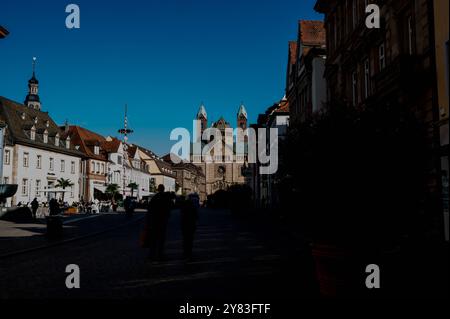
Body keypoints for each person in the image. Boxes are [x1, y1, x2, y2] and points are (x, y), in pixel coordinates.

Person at [146, 184, 173, 261]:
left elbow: (150, 208)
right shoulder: (166, 197)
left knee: (153, 238)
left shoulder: (154, 197)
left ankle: (151, 254)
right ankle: (160, 254)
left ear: (158, 189)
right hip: (162, 220)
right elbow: (170, 206)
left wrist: (149, 220)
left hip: (154, 220)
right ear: (163, 189)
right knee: (161, 239)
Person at [180, 193, 199, 260]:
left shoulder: (184, 208)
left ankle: (185, 252)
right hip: (191, 225)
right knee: (190, 240)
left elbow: (182, 216)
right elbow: (196, 216)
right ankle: (189, 252)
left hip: (185, 225)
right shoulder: (192, 207)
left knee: (185, 239)